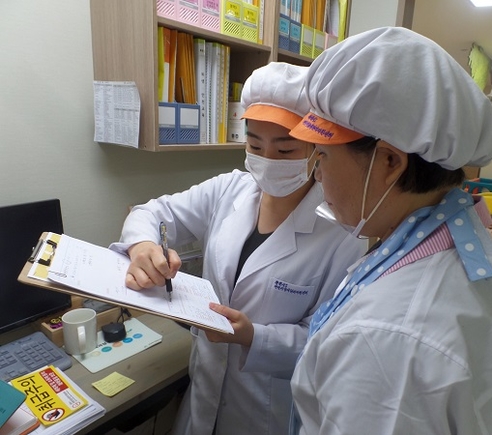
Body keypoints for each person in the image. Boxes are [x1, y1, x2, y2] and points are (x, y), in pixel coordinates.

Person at [287, 27, 492, 435]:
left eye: (322, 155)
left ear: (389, 163)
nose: (316, 174)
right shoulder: (459, 241)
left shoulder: (387, 338)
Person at [109, 62, 366, 435]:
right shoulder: (229, 189)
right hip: (203, 395)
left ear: (316, 149)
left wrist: (253, 337)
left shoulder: (341, 232)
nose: (267, 160)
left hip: (266, 412)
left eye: (285, 148)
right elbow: (153, 212)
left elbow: (326, 342)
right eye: (255, 145)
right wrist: (143, 245)